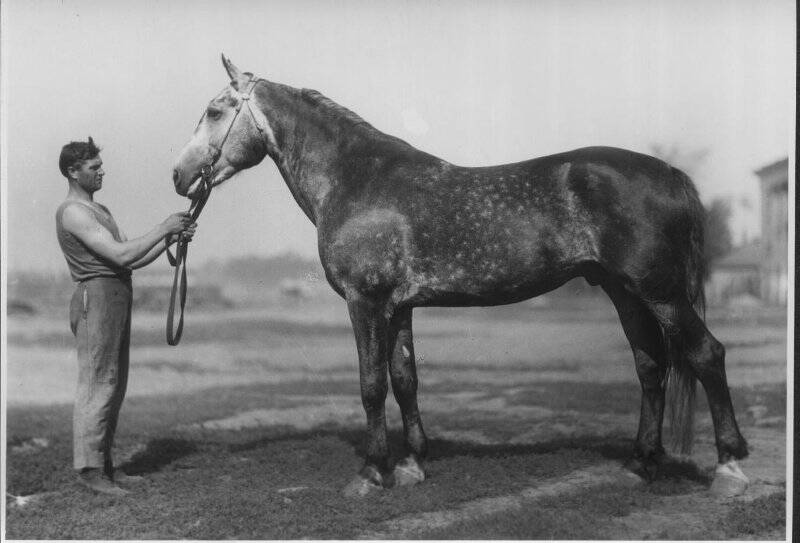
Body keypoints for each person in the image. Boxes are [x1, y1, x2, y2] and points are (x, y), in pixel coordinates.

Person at [55, 137, 196, 496]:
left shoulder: (100, 210)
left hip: (116, 295)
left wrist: (172, 238)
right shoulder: (72, 211)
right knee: (97, 385)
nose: (102, 170)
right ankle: (89, 470)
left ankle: (104, 466)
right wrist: (164, 228)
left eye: (101, 164)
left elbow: (133, 259)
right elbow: (120, 255)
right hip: (95, 299)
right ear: (73, 171)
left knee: (113, 386)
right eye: (93, 166)